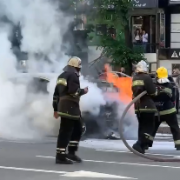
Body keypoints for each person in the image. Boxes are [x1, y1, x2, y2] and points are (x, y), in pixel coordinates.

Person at [53, 56, 88, 164]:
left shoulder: (61, 76)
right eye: (79, 68)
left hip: (64, 107)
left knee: (78, 128)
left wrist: (55, 108)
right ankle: (60, 156)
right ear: (76, 67)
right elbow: (73, 91)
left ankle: (71, 153)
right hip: (70, 107)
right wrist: (83, 91)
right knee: (66, 131)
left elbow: (56, 95)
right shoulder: (73, 75)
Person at [148, 67, 180, 150]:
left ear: (157, 75)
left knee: (152, 128)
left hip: (157, 112)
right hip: (169, 111)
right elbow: (173, 98)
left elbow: (150, 96)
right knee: (175, 127)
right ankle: (178, 144)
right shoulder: (170, 85)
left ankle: (147, 144)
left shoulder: (153, 85)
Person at [132, 60, 157, 154]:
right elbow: (153, 93)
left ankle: (141, 146)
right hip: (148, 106)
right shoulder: (147, 77)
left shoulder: (135, 78)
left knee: (142, 126)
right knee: (148, 127)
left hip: (138, 107)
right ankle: (139, 144)